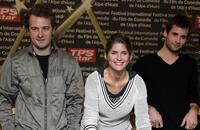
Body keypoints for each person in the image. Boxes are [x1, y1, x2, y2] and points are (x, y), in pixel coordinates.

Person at [0, 4, 84, 130]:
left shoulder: (69, 63)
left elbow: (75, 101)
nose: (40, 34)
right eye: (35, 28)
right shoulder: (15, 61)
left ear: (53, 29)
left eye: (45, 28)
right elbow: (3, 97)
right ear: (28, 30)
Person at [133, 14, 199, 130]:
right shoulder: (143, 64)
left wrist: (194, 111)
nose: (178, 40)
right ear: (165, 33)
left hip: (184, 127)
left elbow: (193, 96)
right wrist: (148, 108)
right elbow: (131, 97)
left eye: (183, 37)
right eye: (175, 34)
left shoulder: (190, 64)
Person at [81, 33, 152, 130]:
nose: (119, 58)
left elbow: (143, 121)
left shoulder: (137, 82)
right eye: (114, 53)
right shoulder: (94, 79)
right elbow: (90, 117)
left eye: (124, 53)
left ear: (130, 56)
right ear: (106, 55)